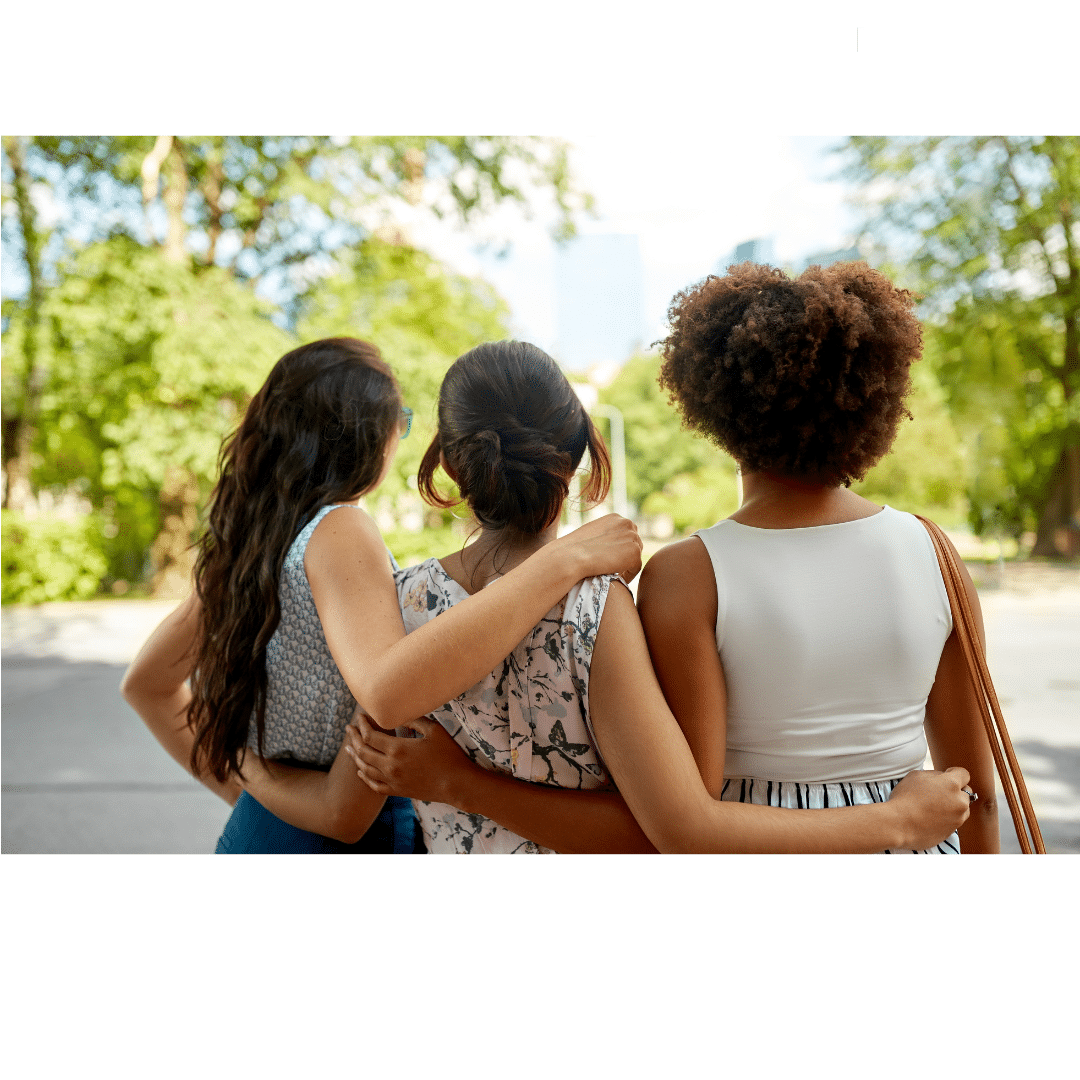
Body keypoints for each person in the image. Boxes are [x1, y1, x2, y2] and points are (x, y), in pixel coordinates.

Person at [261, 340, 973, 854]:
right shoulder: (595, 613)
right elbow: (664, 830)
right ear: (577, 460)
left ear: (449, 464)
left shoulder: (403, 602)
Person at [120, 337, 642, 854]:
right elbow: (349, 795)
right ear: (374, 437)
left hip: (264, 831)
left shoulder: (249, 543)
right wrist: (562, 559)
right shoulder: (342, 531)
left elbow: (147, 684)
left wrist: (248, 778)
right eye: (403, 420)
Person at [634, 261, 998, 853]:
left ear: (716, 406)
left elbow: (695, 813)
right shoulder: (934, 551)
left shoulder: (687, 574)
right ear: (871, 399)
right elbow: (975, 792)